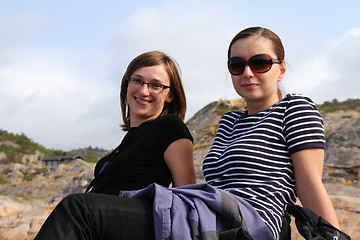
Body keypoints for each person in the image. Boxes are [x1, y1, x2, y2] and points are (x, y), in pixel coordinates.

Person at [34, 51, 196, 239]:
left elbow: (188, 196)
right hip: (101, 226)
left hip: (143, 224)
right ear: (127, 84)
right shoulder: (126, 143)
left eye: (156, 85)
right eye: (137, 80)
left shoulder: (170, 127)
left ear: (170, 95)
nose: (144, 91)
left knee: (76, 206)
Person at [202, 26, 340, 238]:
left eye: (260, 63)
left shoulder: (294, 109)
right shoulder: (229, 121)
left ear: (281, 70)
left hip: (252, 227)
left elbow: (309, 185)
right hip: (207, 220)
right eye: (237, 65)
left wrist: (333, 236)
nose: (247, 73)